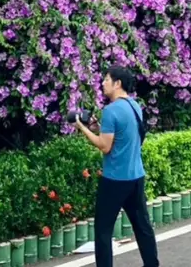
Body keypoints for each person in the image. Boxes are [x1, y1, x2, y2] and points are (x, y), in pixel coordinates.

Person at [75, 66, 159, 267]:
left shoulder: (111, 111)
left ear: (117, 83)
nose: (102, 83)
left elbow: (105, 146)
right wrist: (98, 128)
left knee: (103, 230)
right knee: (142, 226)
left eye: (106, 80)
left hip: (115, 180)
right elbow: (128, 137)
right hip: (136, 176)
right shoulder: (134, 106)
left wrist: (83, 128)